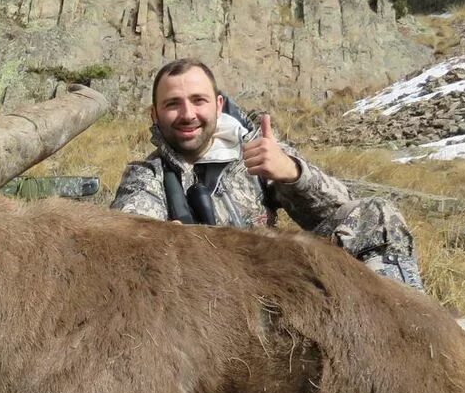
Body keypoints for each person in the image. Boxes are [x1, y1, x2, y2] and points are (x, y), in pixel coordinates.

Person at [111, 58, 424, 290]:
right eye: (172, 104)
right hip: (197, 302)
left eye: (198, 100)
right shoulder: (146, 176)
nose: (188, 114)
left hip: (273, 284)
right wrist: (158, 240)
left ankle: (411, 334)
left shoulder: (259, 151)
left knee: (378, 213)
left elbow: (347, 211)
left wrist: (293, 173)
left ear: (218, 105)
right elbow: (126, 233)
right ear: (155, 114)